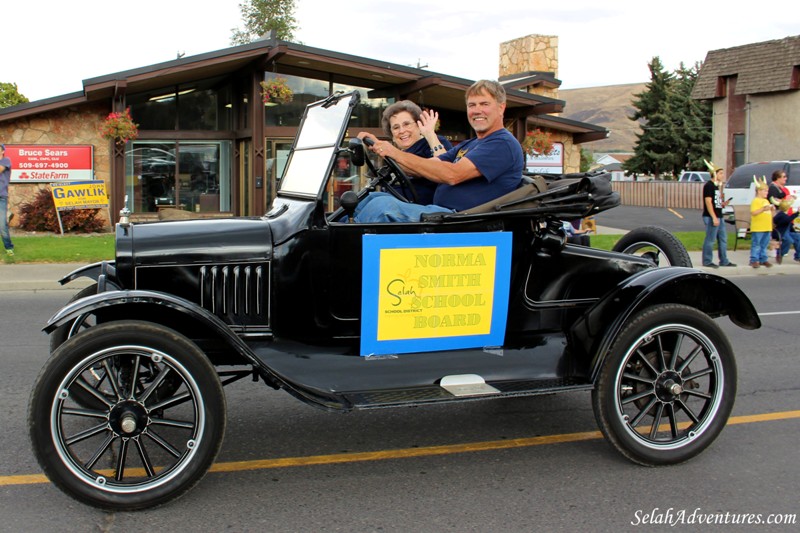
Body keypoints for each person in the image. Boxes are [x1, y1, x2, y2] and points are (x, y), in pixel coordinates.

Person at [353, 79, 525, 223]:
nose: (477, 110)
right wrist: (379, 148)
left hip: (461, 221)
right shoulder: (470, 144)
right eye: (472, 105)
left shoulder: (502, 143)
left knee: (381, 208)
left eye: (484, 104)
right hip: (443, 215)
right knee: (368, 199)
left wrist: (394, 152)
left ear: (501, 107)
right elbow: (431, 165)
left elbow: (453, 174)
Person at [380, 100, 453, 205]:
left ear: (419, 126)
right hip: (390, 205)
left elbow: (446, 170)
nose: (402, 131)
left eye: (407, 124)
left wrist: (430, 135)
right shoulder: (392, 156)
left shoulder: (432, 143)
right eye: (396, 127)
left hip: (421, 212)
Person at [700, 161, 735, 268]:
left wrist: (723, 204)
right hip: (712, 217)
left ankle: (724, 260)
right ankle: (707, 260)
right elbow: (708, 202)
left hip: (719, 216)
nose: (722, 175)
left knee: (723, 239)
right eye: (720, 173)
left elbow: (715, 202)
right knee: (710, 239)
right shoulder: (709, 186)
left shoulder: (716, 187)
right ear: (714, 174)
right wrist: (714, 217)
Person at [749, 177, 774, 268]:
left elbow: (770, 214)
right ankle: (754, 260)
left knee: (764, 244)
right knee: (756, 244)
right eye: (765, 191)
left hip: (766, 226)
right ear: (759, 191)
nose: (767, 193)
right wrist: (763, 209)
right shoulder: (756, 201)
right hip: (758, 227)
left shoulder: (766, 201)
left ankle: (763, 259)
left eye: (767, 191)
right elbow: (753, 212)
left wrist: (772, 210)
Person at [773, 198, 800, 263]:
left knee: (798, 237)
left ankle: (798, 256)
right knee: (789, 240)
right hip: (781, 232)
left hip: (788, 232)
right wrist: (797, 213)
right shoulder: (781, 215)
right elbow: (787, 220)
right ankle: (780, 254)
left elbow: (788, 222)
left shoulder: (784, 215)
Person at [0, 143, 13, 256]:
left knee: (2, 225)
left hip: (1, 197)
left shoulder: (6, 161)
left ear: (2, 151)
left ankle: (9, 247)